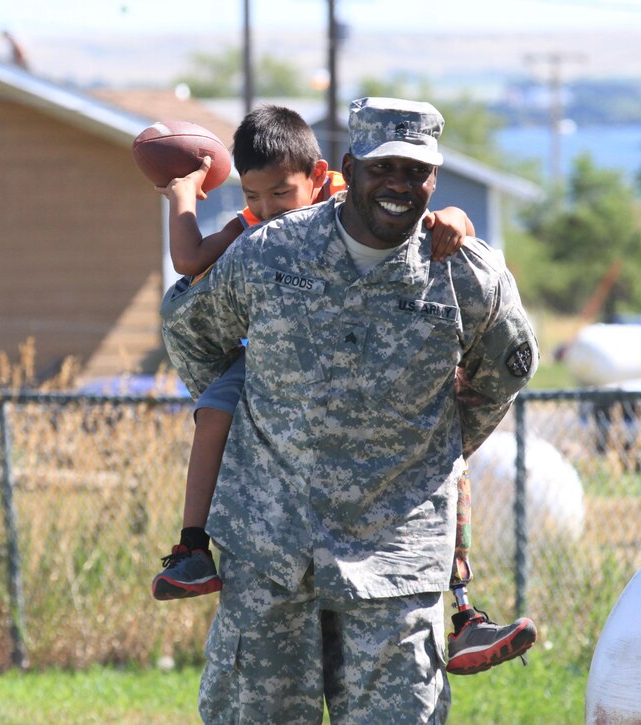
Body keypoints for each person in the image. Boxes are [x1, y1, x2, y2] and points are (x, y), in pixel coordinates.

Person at [160, 97, 539, 722]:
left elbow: (504, 371)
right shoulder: (271, 253)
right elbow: (189, 328)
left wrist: (436, 449)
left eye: (414, 171)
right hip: (272, 556)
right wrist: (253, 410)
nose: (398, 184)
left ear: (433, 179)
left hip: (397, 569)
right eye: (381, 167)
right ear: (347, 168)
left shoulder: (465, 275)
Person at [150, 104, 471, 598]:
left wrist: (454, 216)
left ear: (321, 175)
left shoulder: (353, 201)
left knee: (443, 437)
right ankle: (193, 547)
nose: (269, 207)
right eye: (254, 194)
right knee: (214, 408)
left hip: (373, 358)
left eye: (282, 193)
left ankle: (461, 589)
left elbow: (422, 221)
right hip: (281, 357)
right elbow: (190, 260)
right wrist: (183, 196)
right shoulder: (256, 222)